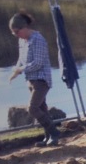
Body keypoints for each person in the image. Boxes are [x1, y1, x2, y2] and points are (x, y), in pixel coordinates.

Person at [8, 12, 61, 146]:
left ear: (24, 27)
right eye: (14, 33)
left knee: (33, 108)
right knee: (42, 109)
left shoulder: (38, 39)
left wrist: (21, 69)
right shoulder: (22, 41)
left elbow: (38, 63)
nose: (16, 35)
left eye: (17, 32)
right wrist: (16, 70)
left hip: (41, 80)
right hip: (30, 80)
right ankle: (48, 137)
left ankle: (54, 132)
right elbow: (21, 59)